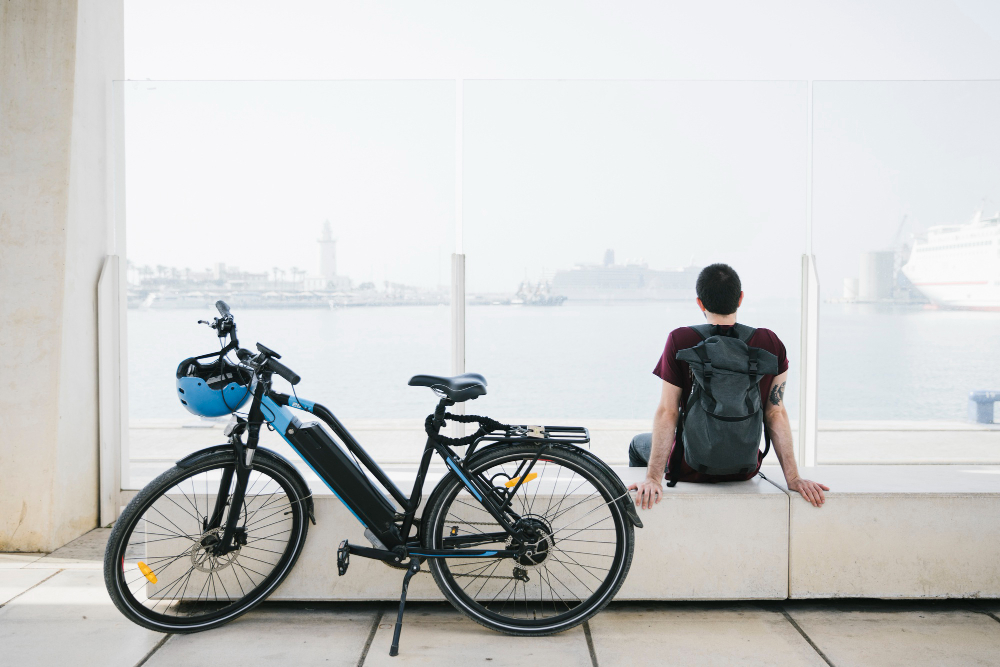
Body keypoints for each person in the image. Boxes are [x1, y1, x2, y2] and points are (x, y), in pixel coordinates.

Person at [627, 263, 829, 509]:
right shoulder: (770, 342)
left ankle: (643, 510)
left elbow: (667, 412)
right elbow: (775, 412)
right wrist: (794, 478)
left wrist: (653, 478)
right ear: (740, 298)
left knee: (638, 443)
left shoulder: (681, 339)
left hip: (689, 468)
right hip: (744, 469)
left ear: (700, 303)